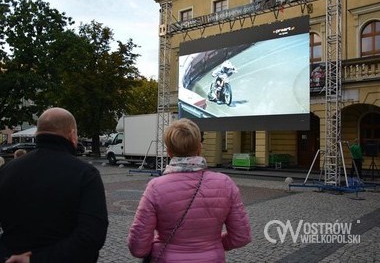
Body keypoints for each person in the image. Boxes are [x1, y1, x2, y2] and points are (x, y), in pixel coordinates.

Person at [128, 118, 251, 262]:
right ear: (199, 148)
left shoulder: (155, 188)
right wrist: (213, 246)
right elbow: (242, 236)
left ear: (168, 152)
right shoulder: (225, 183)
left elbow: (137, 247)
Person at [0, 107, 108, 263]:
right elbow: (91, 236)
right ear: (72, 135)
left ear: (38, 134)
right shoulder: (85, 174)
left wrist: (5, 255)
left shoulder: (7, 170)